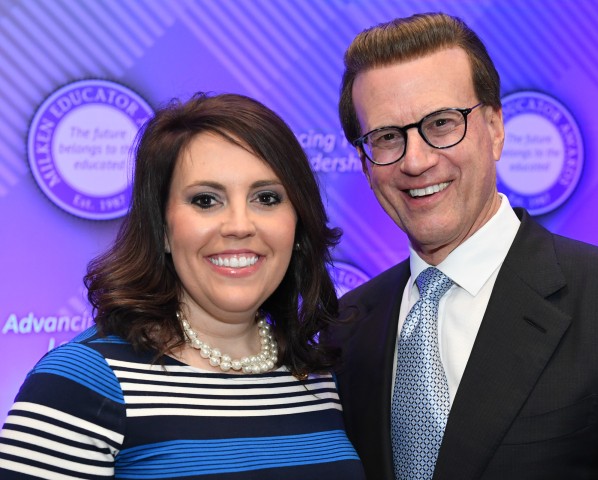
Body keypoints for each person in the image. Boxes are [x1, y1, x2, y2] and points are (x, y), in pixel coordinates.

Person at [330, 12, 598, 480]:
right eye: (388, 137)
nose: (416, 160)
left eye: (442, 123)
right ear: (364, 162)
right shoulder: (345, 330)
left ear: (495, 128)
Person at [0, 93, 365, 479]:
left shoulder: (317, 377)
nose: (239, 225)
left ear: (298, 225)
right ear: (162, 229)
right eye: (206, 200)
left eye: (266, 197)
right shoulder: (83, 382)